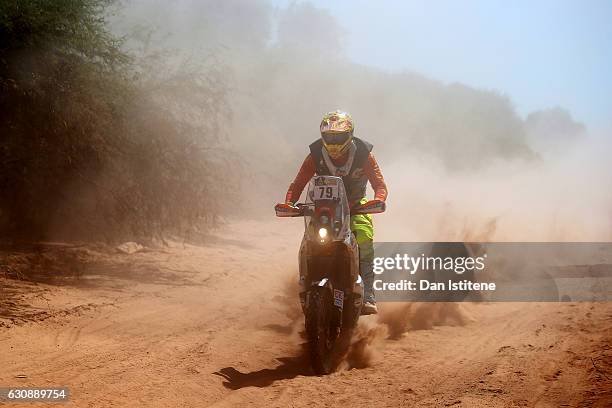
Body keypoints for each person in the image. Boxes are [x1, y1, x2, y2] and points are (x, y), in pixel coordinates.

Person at [279, 110, 387, 315]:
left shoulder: (364, 154)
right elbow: (298, 183)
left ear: (350, 135)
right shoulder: (316, 154)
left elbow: (380, 185)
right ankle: (305, 285)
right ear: (323, 136)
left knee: (364, 237)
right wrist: (289, 203)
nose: (334, 142)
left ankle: (369, 294)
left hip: (356, 205)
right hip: (323, 208)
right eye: (330, 137)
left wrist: (378, 200)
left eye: (339, 137)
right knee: (308, 242)